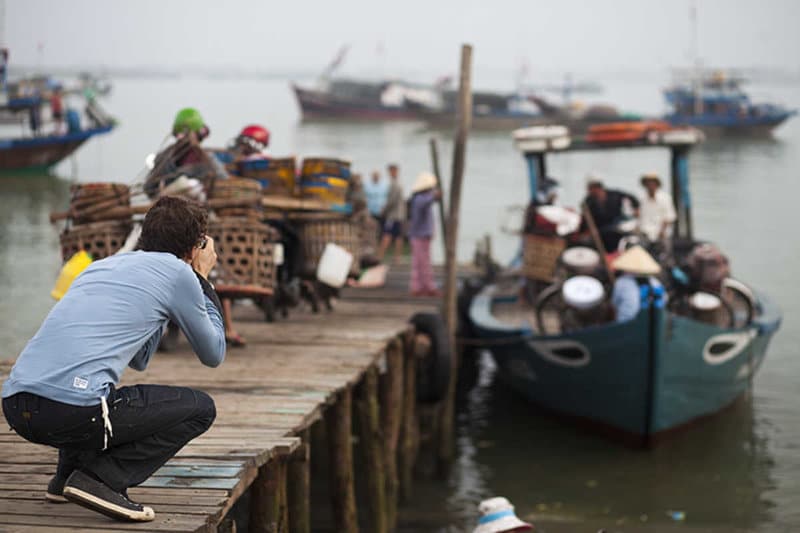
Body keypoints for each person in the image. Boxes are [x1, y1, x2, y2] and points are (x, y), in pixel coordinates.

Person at [1, 196, 225, 522]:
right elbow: (214, 353)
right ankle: (103, 479)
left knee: (88, 382)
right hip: (71, 412)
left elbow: (140, 360)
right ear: (195, 247)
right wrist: (202, 279)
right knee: (201, 409)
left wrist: (157, 311)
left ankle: (65, 478)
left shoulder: (103, 265)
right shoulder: (180, 274)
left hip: (17, 406)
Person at [582, 174, 640, 251]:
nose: (589, 191)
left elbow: (632, 197)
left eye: (590, 188)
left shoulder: (614, 194)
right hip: (600, 231)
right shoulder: (588, 201)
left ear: (597, 187)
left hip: (616, 226)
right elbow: (586, 220)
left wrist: (636, 209)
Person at [408, 171, 442, 296]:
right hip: (419, 235)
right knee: (423, 263)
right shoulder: (420, 199)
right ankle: (427, 286)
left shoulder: (419, 198)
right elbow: (430, 199)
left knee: (420, 262)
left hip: (421, 234)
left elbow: (432, 198)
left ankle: (419, 287)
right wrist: (436, 195)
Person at [611, 245, 662, 323]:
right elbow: (663, 300)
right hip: (653, 322)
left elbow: (614, 304)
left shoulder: (622, 282)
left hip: (626, 324)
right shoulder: (655, 282)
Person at [638, 172, 677, 244]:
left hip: (661, 234)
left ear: (657, 184)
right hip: (645, 233)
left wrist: (662, 231)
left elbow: (670, 217)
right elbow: (640, 216)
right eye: (648, 183)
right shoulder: (642, 198)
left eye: (652, 183)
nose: (650, 185)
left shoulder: (665, 198)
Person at [378, 163, 406, 263]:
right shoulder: (399, 183)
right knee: (398, 236)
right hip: (400, 215)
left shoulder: (394, 184)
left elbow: (392, 201)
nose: (390, 173)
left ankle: (380, 256)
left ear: (394, 171)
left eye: (391, 171)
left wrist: (384, 210)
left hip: (393, 215)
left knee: (387, 234)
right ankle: (397, 258)